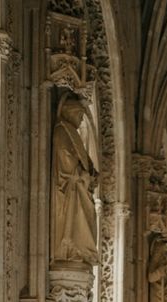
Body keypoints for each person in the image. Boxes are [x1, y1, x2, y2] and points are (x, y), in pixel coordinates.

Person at [52, 96, 99, 265]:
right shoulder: (61, 131)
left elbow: (85, 160)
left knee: (85, 220)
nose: (80, 121)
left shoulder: (72, 133)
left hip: (80, 189)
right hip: (70, 190)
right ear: (70, 113)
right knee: (72, 224)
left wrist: (92, 173)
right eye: (79, 116)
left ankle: (80, 251)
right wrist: (82, 174)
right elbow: (66, 160)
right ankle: (71, 250)